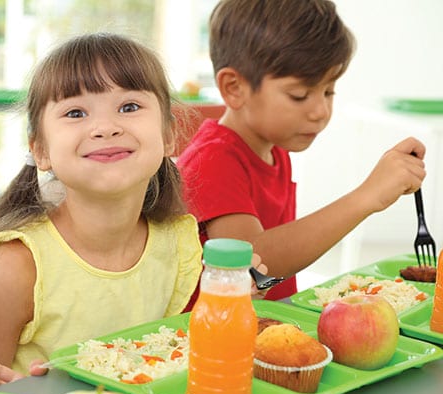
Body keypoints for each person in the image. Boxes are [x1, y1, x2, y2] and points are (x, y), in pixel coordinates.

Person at [0, 32, 205, 394]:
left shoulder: (176, 244)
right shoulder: (18, 268)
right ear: (41, 150)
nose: (106, 127)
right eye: (75, 112)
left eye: (129, 107)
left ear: (168, 135)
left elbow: (157, 368)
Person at [176, 0, 426, 306]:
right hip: (216, 337)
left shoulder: (275, 151)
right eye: (300, 95)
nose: (320, 111)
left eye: (328, 91)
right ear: (234, 87)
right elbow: (254, 267)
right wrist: (366, 197)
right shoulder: (213, 160)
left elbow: (275, 279)